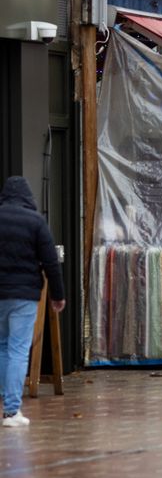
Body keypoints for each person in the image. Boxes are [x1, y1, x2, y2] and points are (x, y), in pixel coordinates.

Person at [0, 177, 66, 429]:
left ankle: (8, 401)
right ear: (28, 196)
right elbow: (50, 262)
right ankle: (11, 411)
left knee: (3, 347)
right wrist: (57, 295)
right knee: (17, 349)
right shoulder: (36, 221)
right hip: (24, 296)